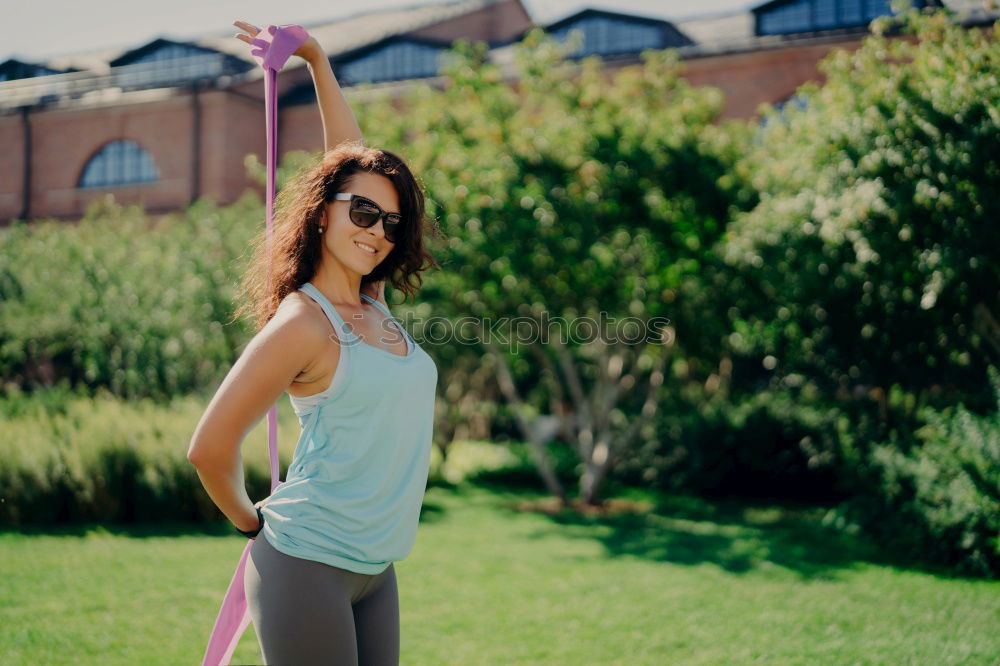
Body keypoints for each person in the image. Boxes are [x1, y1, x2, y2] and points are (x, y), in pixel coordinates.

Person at [186, 20, 440, 665]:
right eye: (362, 213)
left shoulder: (373, 302)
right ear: (324, 210)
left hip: (376, 569)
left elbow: (349, 157)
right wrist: (252, 524)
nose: (377, 230)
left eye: (390, 221)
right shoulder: (304, 323)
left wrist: (317, 60)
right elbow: (209, 449)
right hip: (306, 563)